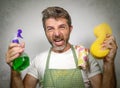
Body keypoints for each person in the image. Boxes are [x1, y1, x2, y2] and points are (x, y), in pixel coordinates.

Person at [6, 6, 118, 88]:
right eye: (50, 28)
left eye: (62, 27)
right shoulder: (39, 60)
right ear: (45, 31)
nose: (57, 34)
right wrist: (15, 72)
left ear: (70, 29)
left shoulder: (84, 56)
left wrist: (109, 62)